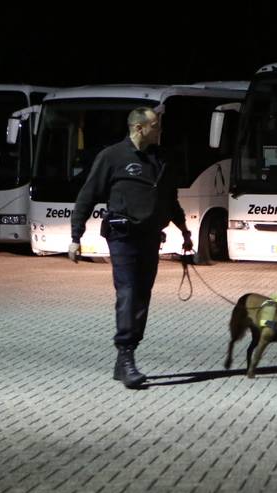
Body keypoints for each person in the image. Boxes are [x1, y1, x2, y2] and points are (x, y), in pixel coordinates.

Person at [68, 107, 193, 389]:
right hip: (122, 236)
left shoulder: (161, 159)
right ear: (139, 128)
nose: (159, 130)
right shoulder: (112, 157)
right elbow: (86, 196)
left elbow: (170, 202)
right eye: (155, 126)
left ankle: (126, 355)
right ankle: (126, 356)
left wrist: (185, 231)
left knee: (142, 297)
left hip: (150, 237)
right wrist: (76, 236)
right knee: (128, 291)